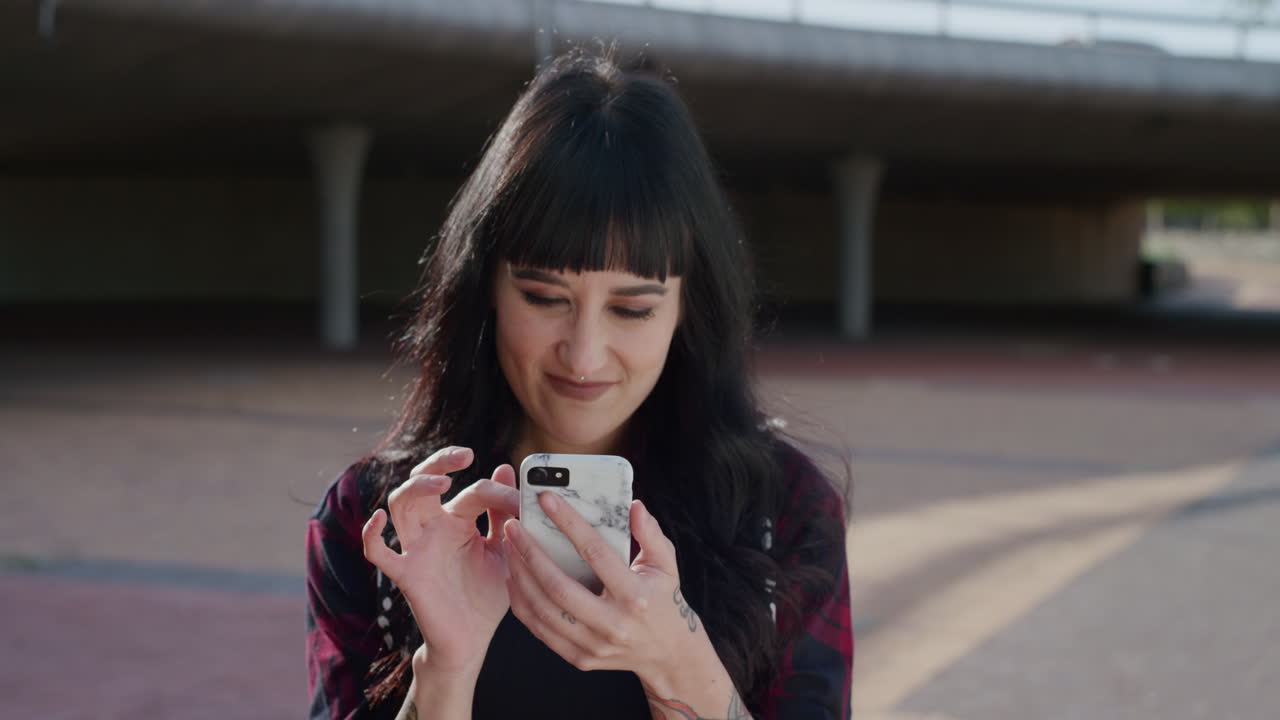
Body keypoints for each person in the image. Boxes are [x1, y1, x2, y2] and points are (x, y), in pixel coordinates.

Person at [305, 47, 852, 720]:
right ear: (486, 290)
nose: (585, 355)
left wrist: (679, 662)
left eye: (632, 309)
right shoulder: (382, 520)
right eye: (544, 297)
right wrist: (444, 670)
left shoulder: (782, 512)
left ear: (688, 310)